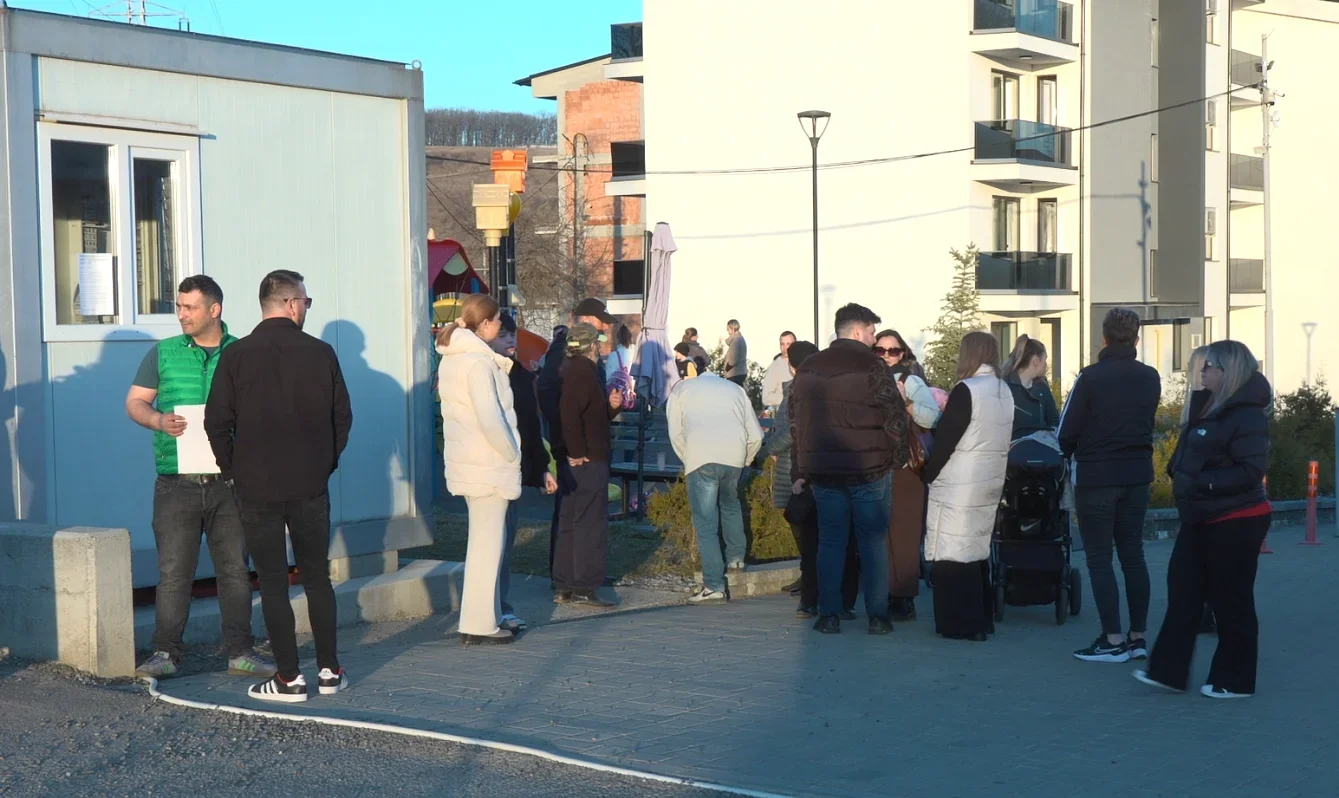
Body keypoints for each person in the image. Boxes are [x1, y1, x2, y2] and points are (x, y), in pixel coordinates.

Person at [205, 270, 352, 703]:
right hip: (309, 483)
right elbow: (341, 418)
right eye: (306, 301)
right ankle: (329, 671)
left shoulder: (236, 356)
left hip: (256, 485)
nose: (307, 308)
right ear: (290, 304)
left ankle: (289, 678)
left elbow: (217, 422)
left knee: (272, 581)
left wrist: (233, 470)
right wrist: (325, 465)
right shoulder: (321, 353)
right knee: (317, 578)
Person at [126, 276, 275, 682]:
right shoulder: (164, 353)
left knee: (234, 571)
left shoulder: (243, 353)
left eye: (189, 307)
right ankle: (165, 653)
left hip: (231, 483)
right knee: (174, 573)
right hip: (177, 482)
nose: (181, 314)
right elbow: (135, 402)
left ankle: (241, 652)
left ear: (215, 310)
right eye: (179, 306)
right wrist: (157, 419)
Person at [1136, 340, 1271, 699]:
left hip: (1237, 518)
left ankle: (1236, 680)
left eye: (1209, 366)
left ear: (1228, 371)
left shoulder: (1246, 415)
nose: (1202, 372)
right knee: (1183, 592)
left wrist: (1204, 483)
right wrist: (1178, 471)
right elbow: (1191, 452)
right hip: (1201, 516)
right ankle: (1168, 671)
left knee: (1231, 600)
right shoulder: (1209, 408)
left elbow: (1251, 469)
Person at [790, 303, 909, 636]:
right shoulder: (873, 366)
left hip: (824, 472)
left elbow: (795, 419)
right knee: (872, 542)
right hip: (869, 468)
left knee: (830, 541)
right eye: (872, 332)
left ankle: (828, 615)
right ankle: (878, 617)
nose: (875, 339)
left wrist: (805, 465)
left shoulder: (808, 367)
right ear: (858, 331)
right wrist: (895, 459)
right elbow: (895, 417)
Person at [1059, 308, 1161, 663]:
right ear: (1136, 339)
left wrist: (1069, 454)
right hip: (1137, 475)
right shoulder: (1150, 377)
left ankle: (1112, 638)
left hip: (1098, 476)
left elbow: (1066, 431)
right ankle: (1138, 637)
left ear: (1103, 338)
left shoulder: (1090, 378)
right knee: (1133, 555)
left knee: (1100, 559)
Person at [436, 295, 525, 645]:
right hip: (488, 464)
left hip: (473, 463)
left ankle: (482, 619)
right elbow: (491, 418)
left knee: (483, 546)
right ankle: (480, 623)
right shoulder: (478, 362)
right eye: (498, 320)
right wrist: (511, 453)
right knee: (489, 547)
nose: (502, 325)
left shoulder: (458, 359)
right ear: (485, 324)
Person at [922, 331, 1014, 642]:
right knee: (976, 551)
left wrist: (928, 472)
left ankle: (959, 623)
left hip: (960, 482)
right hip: (989, 479)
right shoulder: (1004, 390)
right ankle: (981, 619)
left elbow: (947, 439)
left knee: (952, 553)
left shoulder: (966, 390)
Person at [760, 341, 861, 617]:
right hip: (817, 470)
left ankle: (815, 594)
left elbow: (794, 432)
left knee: (813, 535)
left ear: (791, 365)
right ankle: (822, 593)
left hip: (803, 470)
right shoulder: (830, 387)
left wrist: (767, 448)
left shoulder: (800, 389)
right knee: (821, 534)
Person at [667, 351, 765, 604]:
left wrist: (688, 458)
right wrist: (744, 459)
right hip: (734, 457)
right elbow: (756, 434)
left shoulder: (681, 391)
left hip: (701, 458)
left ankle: (713, 584)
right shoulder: (734, 389)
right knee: (731, 504)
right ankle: (736, 558)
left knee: (706, 523)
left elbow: (675, 433)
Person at [487, 310, 560, 634]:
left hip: (513, 470)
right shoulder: (483, 371)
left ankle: (499, 606)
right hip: (487, 470)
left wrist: (541, 468)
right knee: (491, 543)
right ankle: (491, 607)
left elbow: (530, 428)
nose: (511, 342)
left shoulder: (521, 377)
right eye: (504, 335)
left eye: (513, 335)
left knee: (504, 542)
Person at [538, 298, 618, 575]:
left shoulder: (584, 366)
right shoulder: (571, 361)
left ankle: (568, 578)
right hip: (579, 453)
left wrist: (610, 407)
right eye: (598, 325)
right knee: (580, 520)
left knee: (573, 518)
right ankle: (578, 579)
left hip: (581, 446)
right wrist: (572, 446)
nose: (602, 332)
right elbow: (559, 403)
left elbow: (583, 409)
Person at [554, 323, 624, 608]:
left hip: (579, 458)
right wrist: (578, 452)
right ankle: (584, 587)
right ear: (590, 346)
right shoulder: (582, 373)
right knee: (589, 524)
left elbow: (588, 417)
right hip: (587, 460)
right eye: (597, 343)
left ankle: (565, 585)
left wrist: (611, 406)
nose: (600, 347)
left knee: (570, 521)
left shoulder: (573, 371)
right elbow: (568, 416)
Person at [875, 329, 940, 621]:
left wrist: (907, 403)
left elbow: (931, 417)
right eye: (881, 350)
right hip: (875, 466)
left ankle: (903, 596)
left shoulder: (910, 381)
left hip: (906, 468)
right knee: (880, 534)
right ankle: (885, 591)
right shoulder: (867, 381)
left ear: (903, 354)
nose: (887, 356)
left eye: (894, 351)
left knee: (905, 533)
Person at [1180, 345, 1218, 636]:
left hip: (1200, 490)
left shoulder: (1199, 405)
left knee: (1200, 557)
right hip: (1205, 490)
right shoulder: (1209, 404)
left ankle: (1204, 611)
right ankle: (1208, 610)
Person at [1002, 335, 1060, 440]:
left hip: (1040, 449)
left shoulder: (1042, 387)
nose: (1046, 364)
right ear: (1035, 361)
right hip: (1012, 451)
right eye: (1044, 360)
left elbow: (1054, 421)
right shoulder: (1005, 386)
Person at [761, 331, 797, 412]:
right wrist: (790, 398)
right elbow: (766, 398)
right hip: (785, 414)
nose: (785, 348)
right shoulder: (775, 367)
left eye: (788, 344)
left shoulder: (802, 362)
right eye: (782, 344)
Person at [723, 320, 748, 387]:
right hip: (739, 372)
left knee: (733, 395)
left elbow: (733, 359)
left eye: (728, 329)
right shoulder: (740, 339)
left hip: (734, 374)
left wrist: (727, 368)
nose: (727, 331)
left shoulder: (736, 341)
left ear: (732, 328)